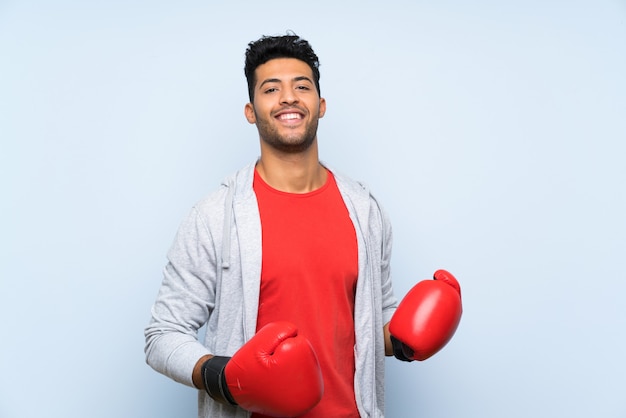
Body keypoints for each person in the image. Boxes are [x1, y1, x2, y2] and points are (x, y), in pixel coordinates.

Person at [144, 33, 462, 418]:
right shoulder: (215, 215)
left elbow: (370, 323)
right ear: (251, 110)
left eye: (302, 86)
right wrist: (225, 378)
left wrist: (407, 339)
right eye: (271, 88)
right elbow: (162, 336)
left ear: (321, 104)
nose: (288, 98)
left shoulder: (365, 210)